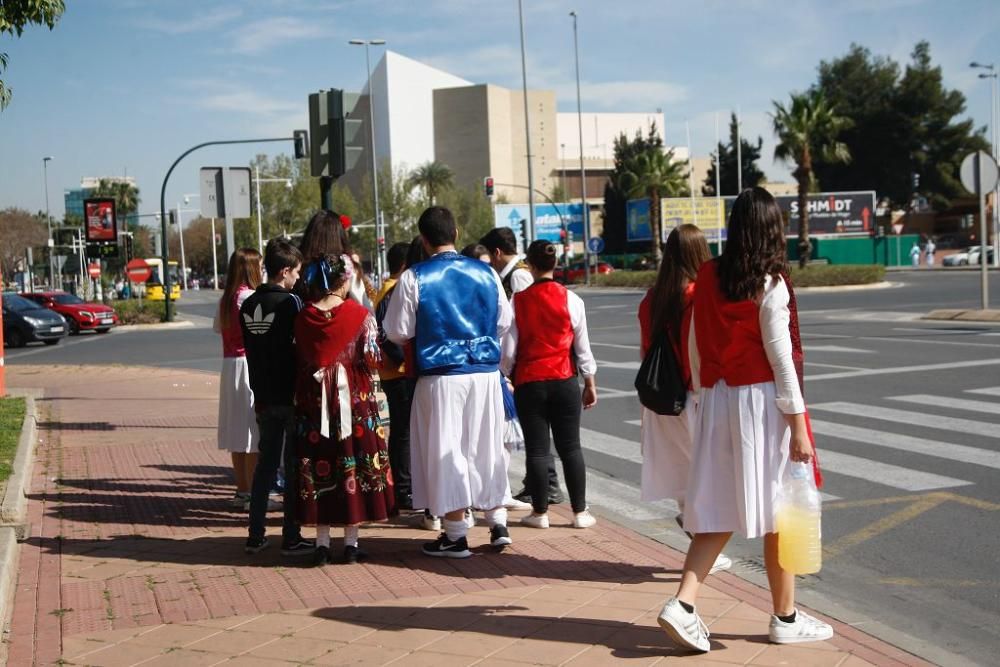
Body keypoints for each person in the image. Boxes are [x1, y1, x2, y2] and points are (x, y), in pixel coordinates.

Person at [656, 188, 832, 652]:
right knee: (783, 507)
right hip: (762, 404)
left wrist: (701, 398)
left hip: (716, 400)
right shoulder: (770, 284)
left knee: (719, 506)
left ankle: (685, 602)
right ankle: (784, 616)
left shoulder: (709, 276)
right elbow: (781, 361)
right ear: (772, 230)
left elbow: (694, 345)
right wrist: (797, 427)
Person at [384, 207, 513, 557]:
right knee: (486, 444)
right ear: (455, 232)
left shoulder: (414, 276)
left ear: (424, 240)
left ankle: (456, 534)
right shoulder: (487, 272)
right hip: (485, 371)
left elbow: (397, 331)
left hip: (441, 374)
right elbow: (504, 321)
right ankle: (497, 520)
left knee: (447, 450)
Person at [637, 224, 731, 572]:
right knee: (707, 473)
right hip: (692, 395)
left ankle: (689, 521)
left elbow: (645, 349)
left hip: (660, 396)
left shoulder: (651, 298)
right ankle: (705, 543)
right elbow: (701, 350)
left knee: (680, 471)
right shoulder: (696, 295)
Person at [294, 252, 397, 565]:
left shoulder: (303, 316)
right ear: (344, 279)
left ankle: (321, 543)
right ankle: (351, 543)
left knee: (319, 463)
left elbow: (299, 358)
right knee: (350, 462)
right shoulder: (359, 314)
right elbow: (372, 358)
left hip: (314, 404)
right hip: (352, 402)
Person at [502, 240, 598, 529]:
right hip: (564, 379)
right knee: (571, 447)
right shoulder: (572, 300)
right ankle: (580, 512)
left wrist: (506, 375)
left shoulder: (518, 300)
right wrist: (589, 381)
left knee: (537, 449)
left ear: (529, 266)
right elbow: (583, 348)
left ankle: (540, 513)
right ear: (556, 265)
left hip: (530, 381)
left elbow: (508, 350)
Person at [480, 226, 564, 507]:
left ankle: (547, 483)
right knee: (532, 430)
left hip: (530, 363)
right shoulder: (517, 274)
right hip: (527, 361)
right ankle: (537, 483)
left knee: (535, 429)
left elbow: (527, 319)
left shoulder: (517, 276)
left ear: (497, 253)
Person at [241, 239, 314, 557]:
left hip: (262, 393)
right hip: (289, 393)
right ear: (284, 271)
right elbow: (301, 346)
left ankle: (255, 534)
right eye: (296, 272)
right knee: (293, 466)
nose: (298, 278)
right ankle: (291, 535)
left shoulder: (248, 304)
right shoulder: (292, 303)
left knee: (265, 466)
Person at [214, 248, 263, 508]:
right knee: (252, 432)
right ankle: (254, 492)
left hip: (229, 365)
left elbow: (217, 329)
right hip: (247, 364)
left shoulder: (226, 299)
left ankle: (242, 490)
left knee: (236, 430)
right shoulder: (249, 297)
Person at [374, 242, 415, 511]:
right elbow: (389, 335)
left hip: (394, 371)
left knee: (403, 431)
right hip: (398, 372)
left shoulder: (385, 290)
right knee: (403, 432)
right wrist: (409, 359)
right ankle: (403, 488)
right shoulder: (393, 291)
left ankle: (403, 486)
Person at [299, 210, 376, 309]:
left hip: (305, 321)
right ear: (340, 236)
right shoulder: (345, 266)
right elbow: (364, 307)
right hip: (343, 321)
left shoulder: (300, 266)